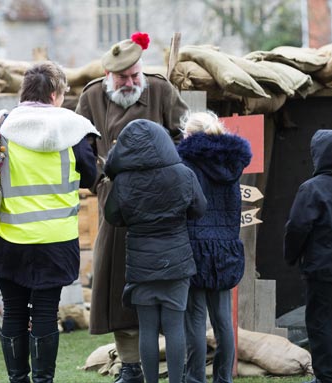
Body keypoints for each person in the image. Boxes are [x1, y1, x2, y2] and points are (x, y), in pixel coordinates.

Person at [0, 62, 99, 383]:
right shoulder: (71, 128)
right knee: (44, 313)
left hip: (6, 237)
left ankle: (18, 380)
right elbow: (92, 176)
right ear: (54, 94)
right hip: (56, 239)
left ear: (25, 92)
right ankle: (43, 381)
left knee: (13, 310)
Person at [75, 31, 189, 383]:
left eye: (135, 75)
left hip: (161, 208)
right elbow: (80, 150)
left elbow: (186, 137)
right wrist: (101, 181)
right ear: (109, 76)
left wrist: (165, 176)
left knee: (167, 282)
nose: (130, 82)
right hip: (116, 209)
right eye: (123, 78)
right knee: (116, 285)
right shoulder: (92, 95)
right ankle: (130, 364)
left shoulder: (161, 90)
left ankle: (174, 361)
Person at [103, 118, 206, 383]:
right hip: (177, 262)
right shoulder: (183, 173)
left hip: (141, 264)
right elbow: (199, 208)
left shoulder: (124, 181)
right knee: (174, 327)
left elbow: (113, 216)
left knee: (147, 328)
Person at [176, 111, 251, 383]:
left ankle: (194, 379)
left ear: (189, 135)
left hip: (193, 247)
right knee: (224, 321)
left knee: (194, 319)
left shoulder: (184, 162)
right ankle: (223, 379)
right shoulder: (233, 163)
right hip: (226, 248)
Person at [284, 129, 332, 383]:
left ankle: (326, 376)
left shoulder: (311, 188)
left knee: (319, 323)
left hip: (321, 266)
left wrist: (291, 255)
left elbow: (297, 226)